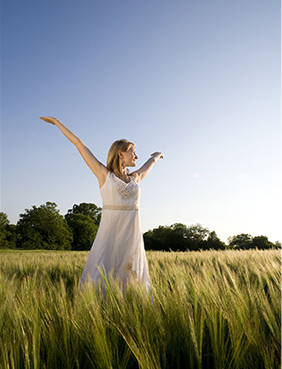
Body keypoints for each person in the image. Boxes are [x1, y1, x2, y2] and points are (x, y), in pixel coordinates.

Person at [40, 117, 163, 292]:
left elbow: (149, 164)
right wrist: (57, 123)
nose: (136, 155)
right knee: (102, 275)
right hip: (109, 236)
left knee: (132, 277)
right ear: (120, 153)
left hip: (131, 237)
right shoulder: (105, 176)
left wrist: (157, 155)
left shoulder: (136, 178)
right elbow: (80, 145)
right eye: (133, 152)